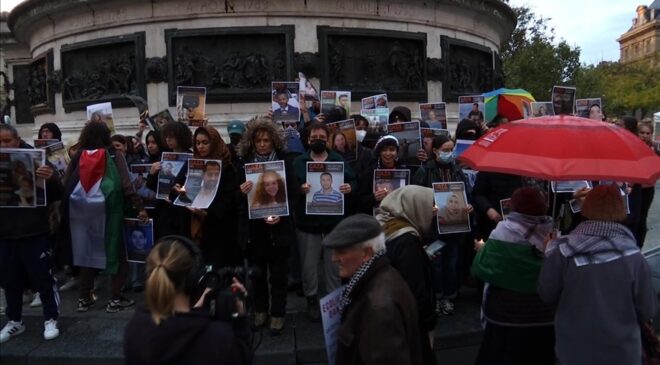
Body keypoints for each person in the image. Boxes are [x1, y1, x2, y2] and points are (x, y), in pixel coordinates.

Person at [539, 184, 658, 365]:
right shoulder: (634, 257)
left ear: (586, 209)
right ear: (621, 210)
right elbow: (647, 309)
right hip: (622, 352)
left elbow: (547, 294)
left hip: (573, 350)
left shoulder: (563, 251)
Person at [123, 236, 251, 365]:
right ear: (193, 279)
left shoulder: (135, 329)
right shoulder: (218, 337)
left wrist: (197, 313)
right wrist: (241, 323)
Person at [63, 121, 148, 313]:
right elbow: (126, 184)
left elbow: (67, 182)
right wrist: (139, 206)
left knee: (86, 252)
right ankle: (115, 299)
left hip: (82, 211)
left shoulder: (78, 155)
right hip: (110, 209)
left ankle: (85, 298)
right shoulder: (113, 154)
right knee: (116, 252)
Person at [322, 214, 423, 365]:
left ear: (367, 253)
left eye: (341, 251)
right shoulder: (383, 275)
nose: (334, 258)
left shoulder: (379, 307)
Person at [471, 187, 555, 365]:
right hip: (543, 315)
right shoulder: (551, 233)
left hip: (505, 315)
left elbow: (480, 268)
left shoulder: (503, 231)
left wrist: (482, 250)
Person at [0, 124, 62, 343]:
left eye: (7, 141)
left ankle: (51, 317)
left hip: (34, 230)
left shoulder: (36, 159)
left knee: (42, 277)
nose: (3, 145)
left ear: (17, 140)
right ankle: (15, 320)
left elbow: (58, 193)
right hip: (6, 232)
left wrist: (50, 177)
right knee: (10, 279)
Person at [237, 117, 297, 334]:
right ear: (252, 142)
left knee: (279, 276)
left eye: (266, 140)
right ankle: (260, 311)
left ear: (274, 142)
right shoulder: (243, 163)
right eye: (259, 141)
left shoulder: (284, 161)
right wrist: (241, 191)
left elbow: (292, 192)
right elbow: (236, 199)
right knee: (257, 275)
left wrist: (283, 213)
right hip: (255, 230)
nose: (262, 144)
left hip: (279, 229)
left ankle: (278, 314)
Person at [293, 122, 356, 321]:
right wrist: (299, 189)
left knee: (334, 265)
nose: (317, 140)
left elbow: (353, 181)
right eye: (314, 137)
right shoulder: (299, 162)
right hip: (307, 224)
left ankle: (334, 301)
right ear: (308, 139)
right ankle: (311, 299)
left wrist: (348, 187)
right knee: (309, 265)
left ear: (327, 139)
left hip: (333, 224)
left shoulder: (338, 160)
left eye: (321, 136)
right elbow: (289, 187)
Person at [375, 186, 437, 364]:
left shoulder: (386, 226)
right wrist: (428, 325)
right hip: (410, 329)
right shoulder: (407, 242)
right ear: (414, 207)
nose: (433, 211)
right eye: (428, 206)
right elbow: (416, 291)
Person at [412, 134, 473, 315]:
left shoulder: (457, 170)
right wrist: (427, 208)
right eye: (445, 150)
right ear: (436, 151)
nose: (449, 153)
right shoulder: (425, 171)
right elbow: (415, 196)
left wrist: (468, 206)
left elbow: (467, 192)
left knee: (452, 263)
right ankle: (436, 297)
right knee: (435, 265)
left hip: (455, 227)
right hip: (433, 228)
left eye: (451, 150)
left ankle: (449, 297)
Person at [173, 126, 242, 268]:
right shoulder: (191, 164)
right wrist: (177, 189)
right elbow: (177, 185)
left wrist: (207, 213)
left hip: (218, 230)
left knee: (217, 273)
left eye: (205, 142)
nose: (201, 147)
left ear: (214, 142)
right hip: (193, 226)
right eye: (198, 143)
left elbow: (230, 200)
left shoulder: (227, 168)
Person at [357, 135, 406, 214]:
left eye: (392, 150)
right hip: (374, 218)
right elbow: (360, 200)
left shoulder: (403, 171)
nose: (388, 153)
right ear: (379, 152)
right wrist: (373, 197)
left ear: (397, 152)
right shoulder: (370, 171)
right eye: (384, 150)